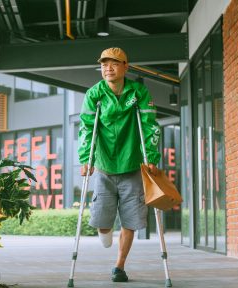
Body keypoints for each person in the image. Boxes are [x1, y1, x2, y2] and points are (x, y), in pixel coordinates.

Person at [77, 47, 161, 282]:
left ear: (126, 67)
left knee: (131, 219)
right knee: (102, 223)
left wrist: (151, 157)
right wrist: (86, 159)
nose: (108, 68)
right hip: (104, 165)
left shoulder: (138, 92)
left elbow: (150, 124)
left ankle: (119, 266)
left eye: (114, 64)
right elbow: (85, 128)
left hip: (132, 163)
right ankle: (105, 231)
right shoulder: (95, 94)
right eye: (104, 64)